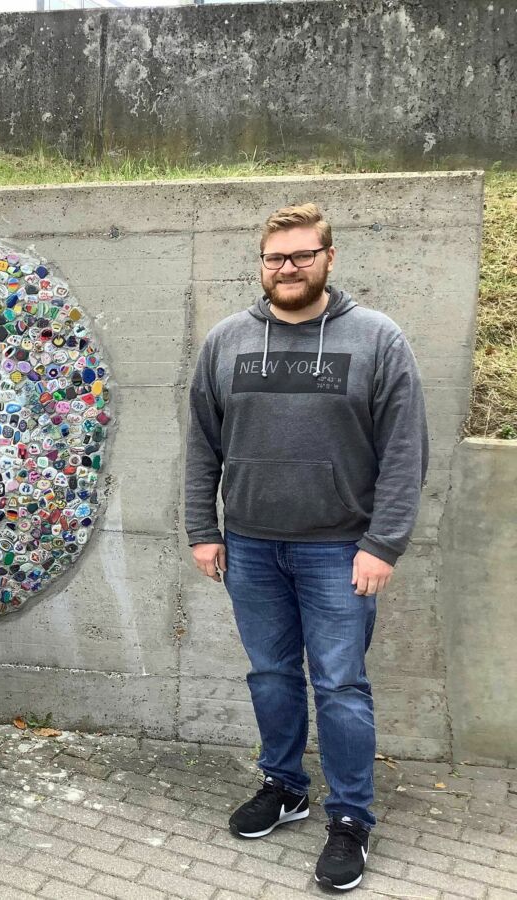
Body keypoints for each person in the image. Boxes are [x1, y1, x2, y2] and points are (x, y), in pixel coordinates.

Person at [185, 204, 428, 891]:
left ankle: (350, 818)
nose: (286, 269)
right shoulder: (227, 341)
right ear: (262, 265)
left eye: (300, 256)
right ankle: (286, 786)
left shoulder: (377, 339)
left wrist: (383, 543)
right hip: (253, 549)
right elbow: (202, 445)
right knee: (270, 675)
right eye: (274, 258)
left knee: (342, 686)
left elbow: (406, 454)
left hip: (339, 551)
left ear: (328, 257)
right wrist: (203, 529)